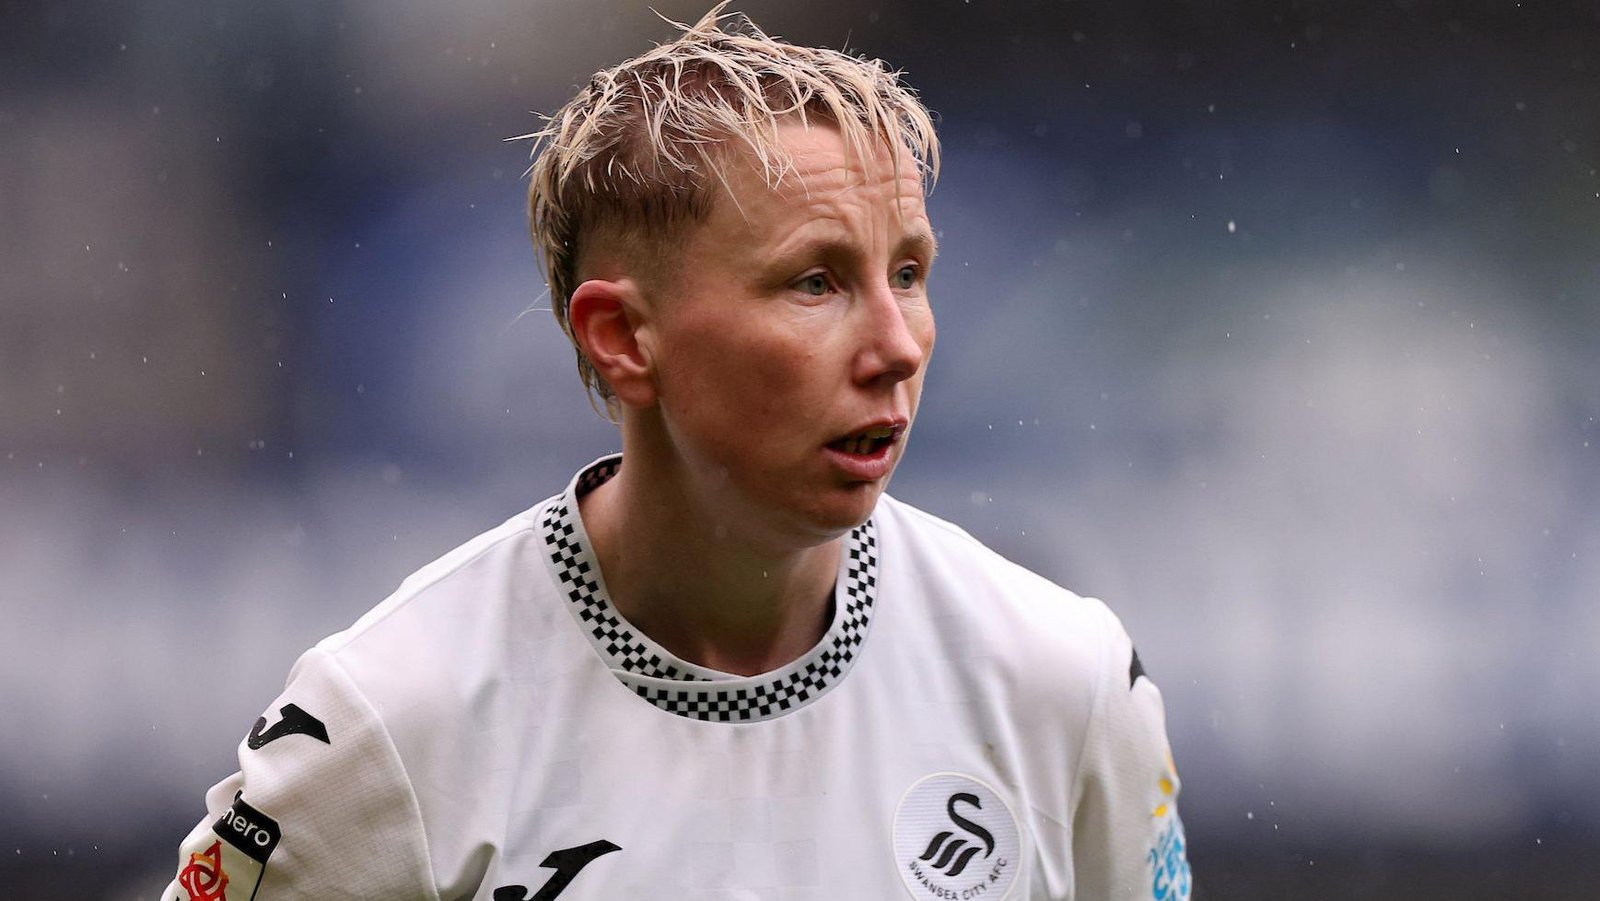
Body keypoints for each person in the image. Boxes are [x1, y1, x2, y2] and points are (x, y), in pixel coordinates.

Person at [164, 6, 1191, 900]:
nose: (899, 344)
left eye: (909, 273)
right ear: (622, 335)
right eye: (816, 282)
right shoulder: (388, 720)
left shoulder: (1065, 679)